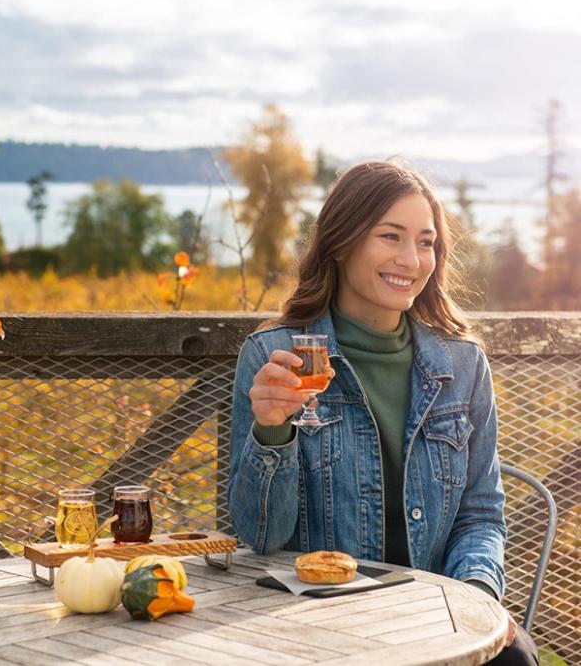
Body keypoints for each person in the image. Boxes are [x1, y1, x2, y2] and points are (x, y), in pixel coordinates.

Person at [228, 161, 538, 665]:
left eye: (425, 242)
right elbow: (260, 538)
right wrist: (272, 430)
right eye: (390, 236)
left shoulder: (461, 364)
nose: (411, 259)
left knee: (514, 659)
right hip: (316, 619)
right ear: (342, 241)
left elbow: (481, 514)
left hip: (434, 614)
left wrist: (475, 598)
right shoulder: (277, 356)